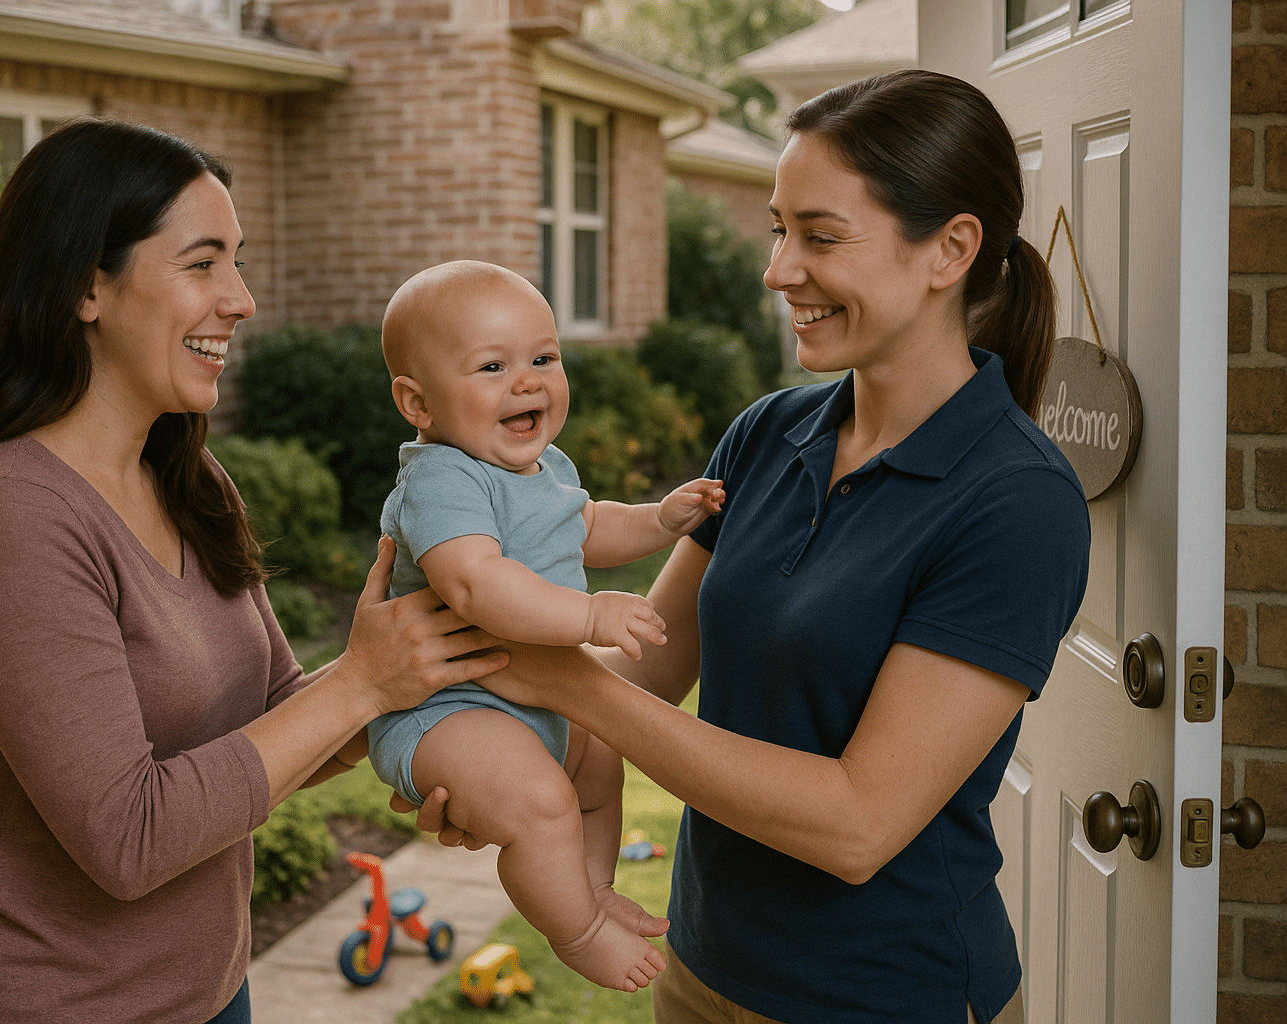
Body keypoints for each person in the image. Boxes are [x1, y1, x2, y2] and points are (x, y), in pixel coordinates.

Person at [414, 71, 1091, 1024]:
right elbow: (643, 671)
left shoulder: (1018, 504)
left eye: (819, 236)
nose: (777, 270)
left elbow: (859, 824)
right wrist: (494, 753)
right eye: (779, 229)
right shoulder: (770, 434)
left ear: (951, 248)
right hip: (700, 970)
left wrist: (567, 684)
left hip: (886, 996)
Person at [0, 119, 507, 1024]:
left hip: (208, 996)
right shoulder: (10, 514)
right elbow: (127, 840)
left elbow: (279, 722)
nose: (242, 299)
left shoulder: (185, 475)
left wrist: (438, 712)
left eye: (237, 263)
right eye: (203, 264)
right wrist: (364, 684)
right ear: (87, 284)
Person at [367, 260, 725, 992]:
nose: (527, 381)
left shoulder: (546, 467)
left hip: (531, 701)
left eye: (543, 358)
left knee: (598, 766)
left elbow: (588, 526)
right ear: (418, 401)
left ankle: (590, 887)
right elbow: (476, 584)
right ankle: (577, 929)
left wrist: (658, 519)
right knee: (540, 802)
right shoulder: (441, 480)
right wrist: (590, 615)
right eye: (492, 366)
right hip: (448, 709)